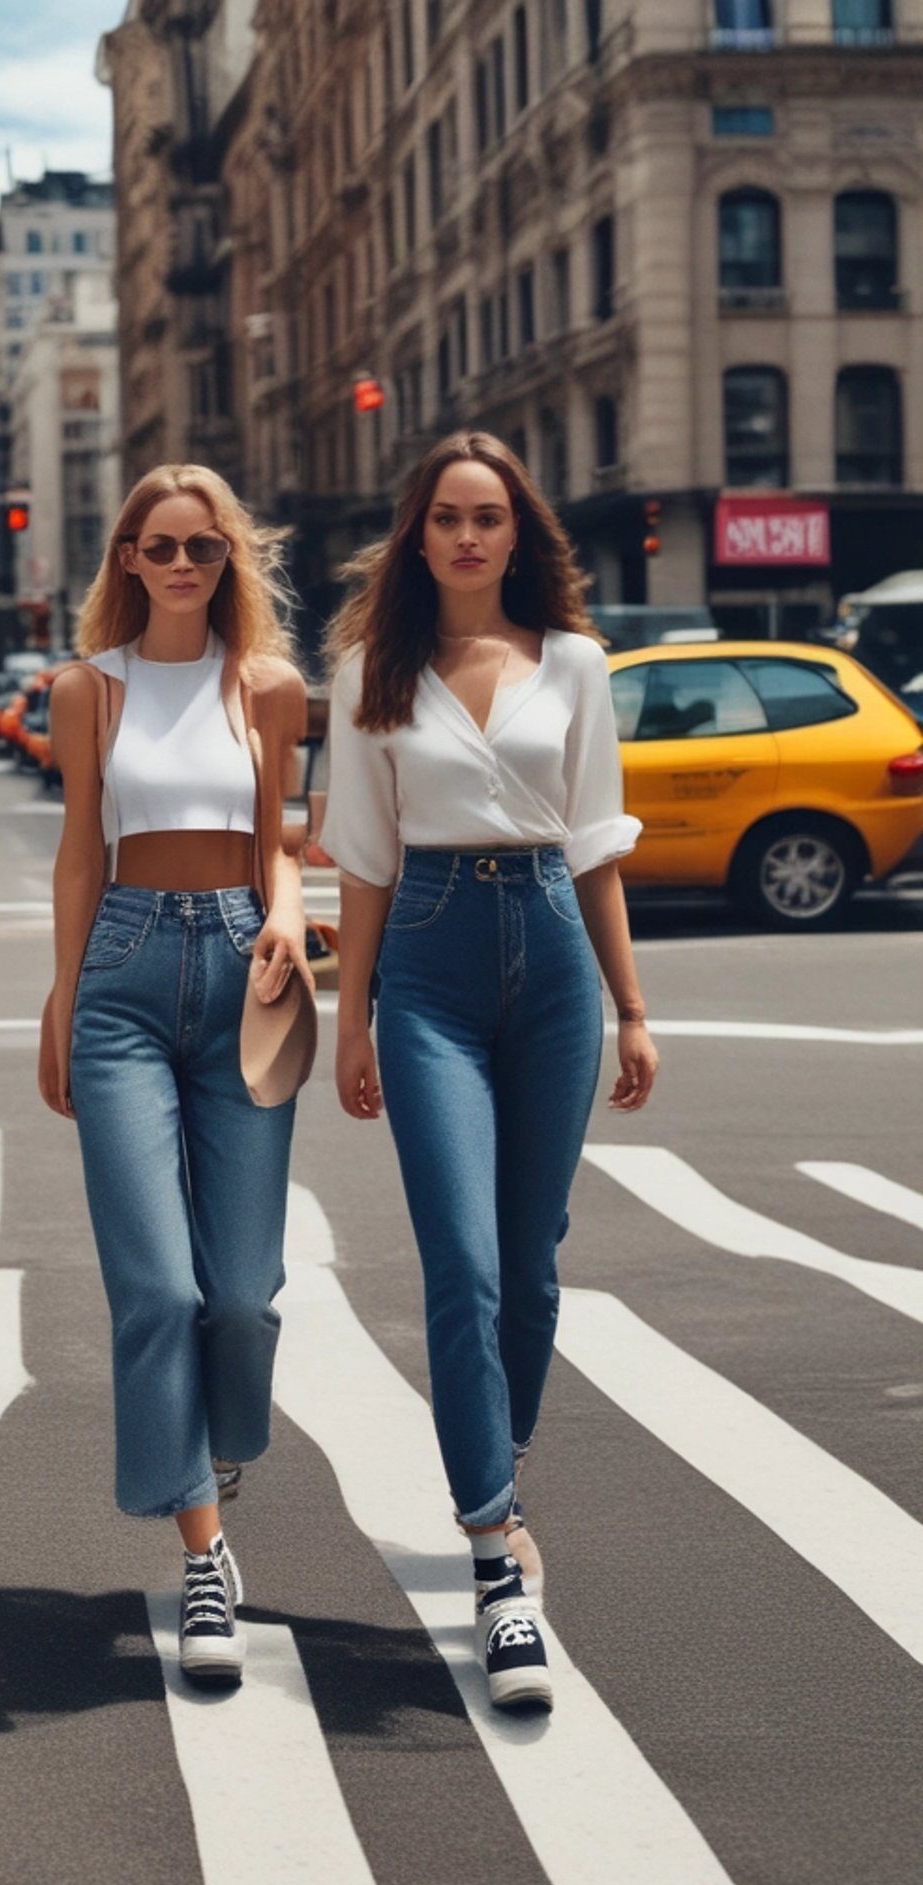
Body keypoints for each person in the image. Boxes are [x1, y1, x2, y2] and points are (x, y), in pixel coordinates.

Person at [320, 430, 658, 1713]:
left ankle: (496, 1470)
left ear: (521, 535)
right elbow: (361, 857)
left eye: (490, 516)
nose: (468, 535)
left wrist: (632, 1008)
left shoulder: (573, 663)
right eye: (447, 517)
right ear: (418, 536)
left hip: (558, 959)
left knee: (532, 1259)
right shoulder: (369, 671)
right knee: (458, 1261)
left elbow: (596, 847)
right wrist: (353, 1019)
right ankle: (494, 1560)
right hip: (430, 965)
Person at [39, 464, 308, 1683]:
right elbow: (77, 852)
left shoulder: (270, 689)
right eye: (161, 546)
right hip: (126, 978)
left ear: (230, 558)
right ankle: (201, 1553)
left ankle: (214, 1437)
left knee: (242, 1296)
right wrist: (61, 999)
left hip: (244, 966)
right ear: (129, 560)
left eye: (204, 546)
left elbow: (283, 846)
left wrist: (289, 921)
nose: (184, 563)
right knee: (159, 1290)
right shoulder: (88, 689)